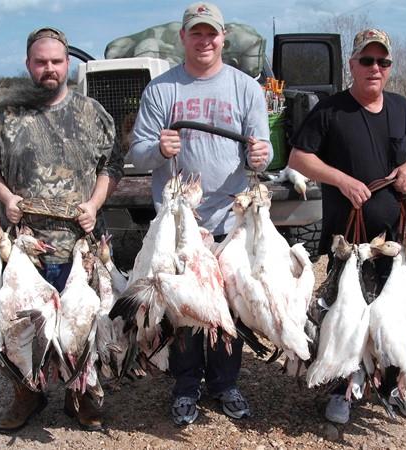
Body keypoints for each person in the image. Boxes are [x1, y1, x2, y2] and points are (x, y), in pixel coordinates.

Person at [0, 26, 124, 432]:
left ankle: (81, 396)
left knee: (82, 325)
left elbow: (112, 166)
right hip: (23, 249)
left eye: (56, 61)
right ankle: (28, 394)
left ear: (68, 63)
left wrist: (94, 204)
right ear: (28, 65)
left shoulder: (93, 114)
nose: (49, 69)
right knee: (19, 325)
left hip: (79, 245)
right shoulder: (4, 116)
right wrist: (6, 198)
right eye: (40, 62)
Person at [128, 2, 271, 426]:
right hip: (178, 225)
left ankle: (225, 383)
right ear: (183, 38)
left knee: (227, 305)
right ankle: (186, 385)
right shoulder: (162, 90)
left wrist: (261, 155)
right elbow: (137, 153)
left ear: (223, 38)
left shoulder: (247, 89)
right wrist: (159, 149)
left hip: (230, 219)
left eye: (211, 33)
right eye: (196, 33)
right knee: (187, 310)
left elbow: (262, 156)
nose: (204, 40)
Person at [288, 28, 406, 424]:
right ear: (352, 64)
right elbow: (300, 158)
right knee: (347, 316)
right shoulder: (330, 110)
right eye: (367, 61)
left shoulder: (402, 108)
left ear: (389, 68)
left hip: (397, 243)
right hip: (349, 240)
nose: (374, 68)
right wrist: (342, 180)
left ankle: (396, 389)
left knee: (399, 318)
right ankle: (341, 391)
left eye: (382, 62)